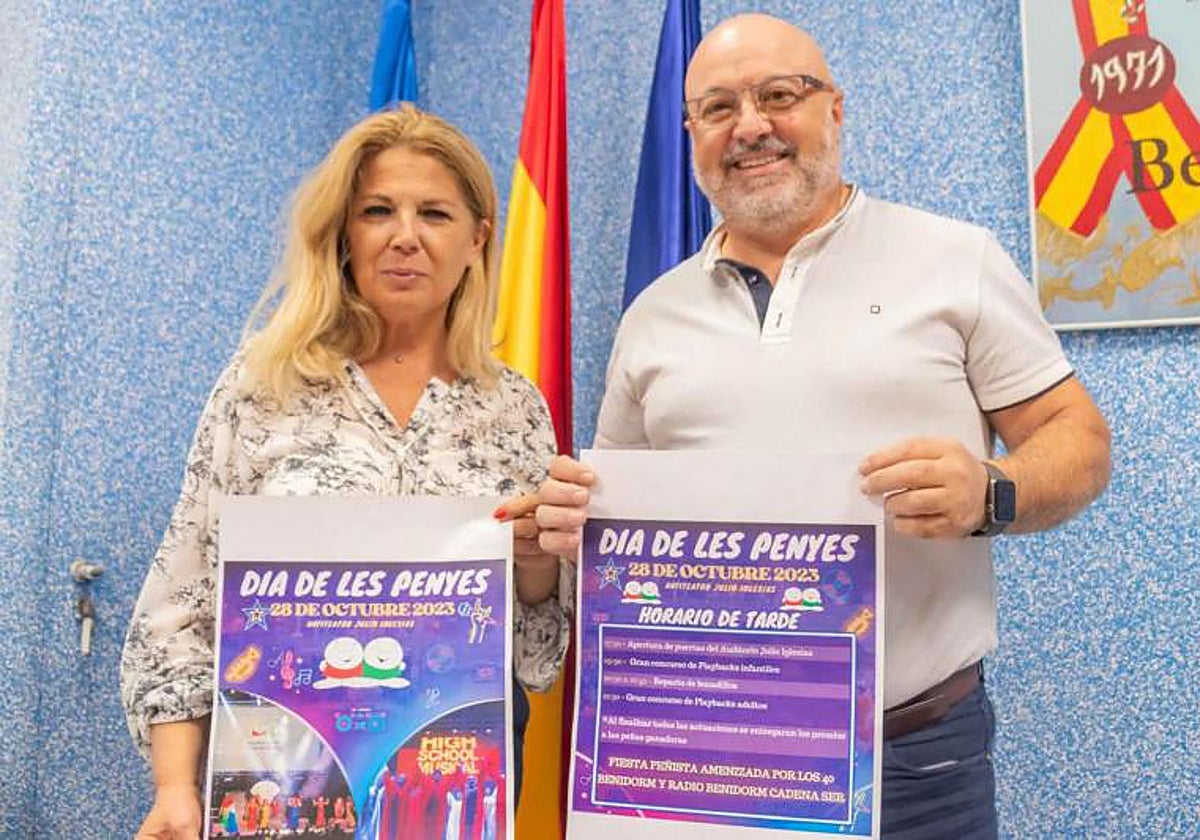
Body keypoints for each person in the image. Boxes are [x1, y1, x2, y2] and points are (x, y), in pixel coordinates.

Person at [534, 14, 1111, 840]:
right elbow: (617, 519)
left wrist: (990, 492)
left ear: (835, 109)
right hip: (702, 755)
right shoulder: (652, 316)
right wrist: (574, 524)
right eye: (719, 108)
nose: (751, 126)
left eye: (779, 95)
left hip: (915, 760)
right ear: (691, 134)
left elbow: (1078, 440)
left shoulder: (956, 259)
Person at [120, 104, 571, 839]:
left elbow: (535, 656)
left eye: (434, 213)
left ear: (477, 240)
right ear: (343, 234)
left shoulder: (514, 407)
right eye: (377, 211)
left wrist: (537, 565)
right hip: (280, 779)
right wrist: (175, 787)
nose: (405, 236)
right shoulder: (264, 384)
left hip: (454, 785)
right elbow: (182, 602)